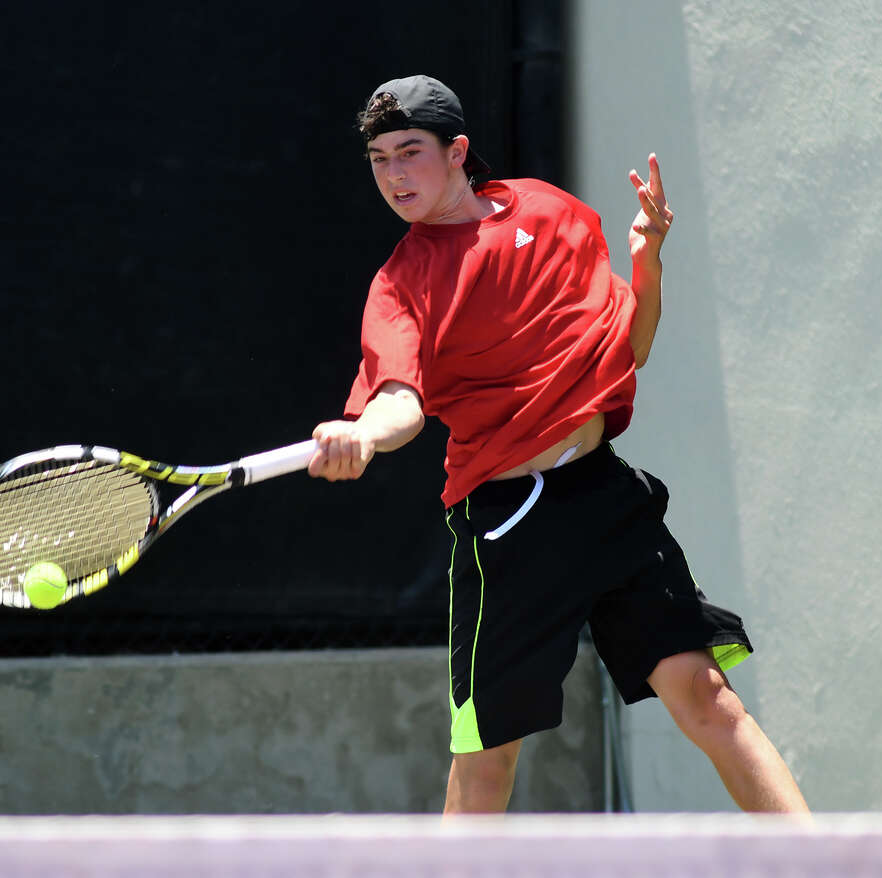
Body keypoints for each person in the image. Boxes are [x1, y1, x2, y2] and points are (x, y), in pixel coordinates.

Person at [308, 74, 808, 815]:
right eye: (379, 159)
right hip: (510, 525)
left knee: (709, 699)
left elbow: (626, 350)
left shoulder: (550, 213)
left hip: (605, 496)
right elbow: (400, 404)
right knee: (487, 763)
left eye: (409, 151)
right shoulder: (400, 283)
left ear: (458, 152)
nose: (393, 174)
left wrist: (647, 261)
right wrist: (361, 435)